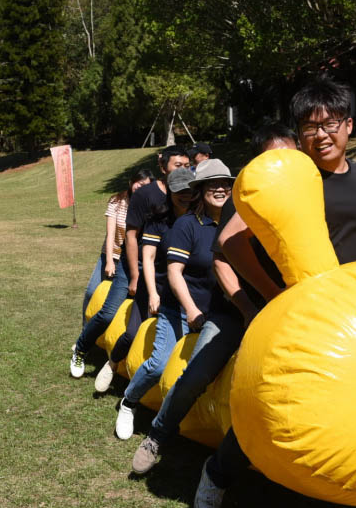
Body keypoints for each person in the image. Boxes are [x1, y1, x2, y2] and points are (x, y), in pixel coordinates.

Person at [192, 79, 356, 508]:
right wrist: (278, 293)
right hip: (305, 316)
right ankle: (216, 475)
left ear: (349, 125)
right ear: (299, 134)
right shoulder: (289, 178)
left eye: (330, 123)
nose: (321, 134)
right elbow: (231, 241)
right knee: (269, 403)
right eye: (309, 126)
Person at [127, 159, 246, 472]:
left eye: (225, 183)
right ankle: (156, 435)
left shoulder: (247, 222)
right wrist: (191, 310)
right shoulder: (187, 226)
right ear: (200, 191)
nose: (220, 189)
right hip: (213, 313)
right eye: (212, 184)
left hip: (248, 309)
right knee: (193, 376)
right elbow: (174, 272)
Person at [71, 145, 190, 381]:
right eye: (178, 165)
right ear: (162, 166)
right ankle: (81, 349)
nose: (183, 170)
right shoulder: (146, 195)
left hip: (167, 267)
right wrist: (134, 275)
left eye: (187, 166)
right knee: (108, 314)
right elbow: (131, 236)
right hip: (134, 263)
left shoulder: (190, 192)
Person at [82, 168, 153, 318]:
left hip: (132, 260)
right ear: (131, 183)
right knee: (91, 292)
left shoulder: (149, 206)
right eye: (139, 184)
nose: (141, 188)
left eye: (146, 186)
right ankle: (85, 331)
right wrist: (109, 261)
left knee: (124, 300)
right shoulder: (117, 201)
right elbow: (110, 234)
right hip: (111, 254)